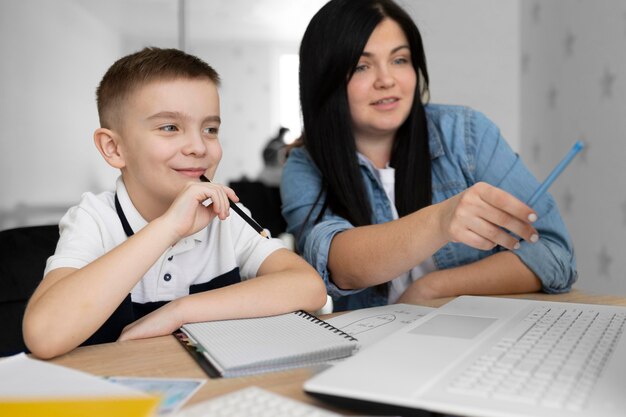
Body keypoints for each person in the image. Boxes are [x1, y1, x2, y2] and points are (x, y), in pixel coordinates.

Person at [23, 47, 327, 359]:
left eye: (210, 129)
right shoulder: (95, 218)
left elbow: (309, 287)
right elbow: (44, 335)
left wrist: (180, 311)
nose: (198, 147)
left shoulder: (227, 217)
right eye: (170, 127)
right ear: (114, 148)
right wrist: (167, 228)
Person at [281, 0, 577, 311]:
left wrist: (433, 288)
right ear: (324, 80)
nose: (387, 80)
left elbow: (554, 255)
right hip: (375, 348)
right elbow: (337, 266)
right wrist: (440, 221)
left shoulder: (468, 135)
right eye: (361, 66)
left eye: (399, 60)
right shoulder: (305, 165)